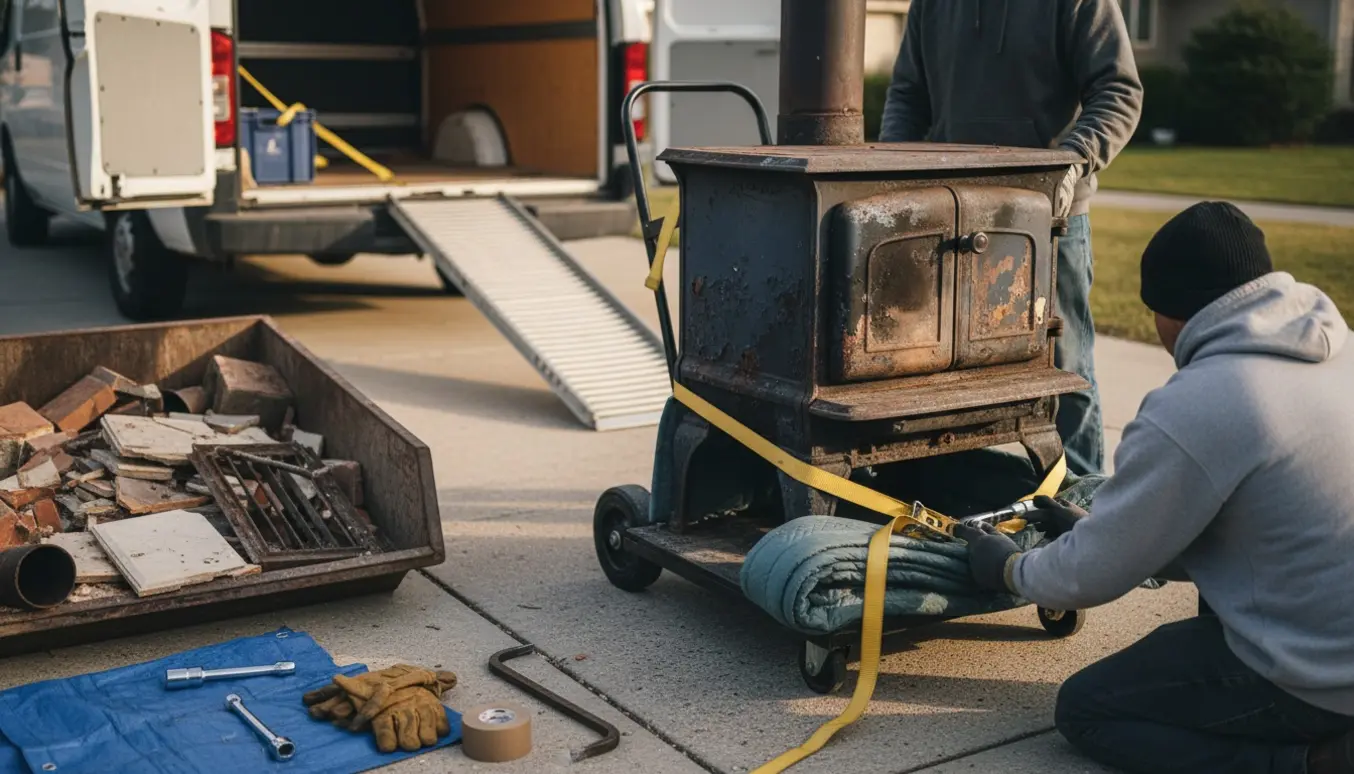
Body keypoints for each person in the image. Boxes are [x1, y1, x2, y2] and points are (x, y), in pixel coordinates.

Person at [956, 202, 1354, 774]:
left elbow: (1089, 576)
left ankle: (1310, 761)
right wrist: (1105, 531)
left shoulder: (1201, 403)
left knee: (1087, 710)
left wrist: (1007, 570)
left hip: (1321, 682)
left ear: (1171, 313)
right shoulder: (1336, 351)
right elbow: (1270, 531)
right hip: (1332, 630)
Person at [878, 0, 1143, 476]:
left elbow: (1119, 90)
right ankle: (963, 486)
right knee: (948, 366)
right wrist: (895, 167)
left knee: (1065, 365)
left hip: (1048, 215)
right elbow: (907, 94)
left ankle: (1081, 500)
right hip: (949, 213)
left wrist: (1072, 160)